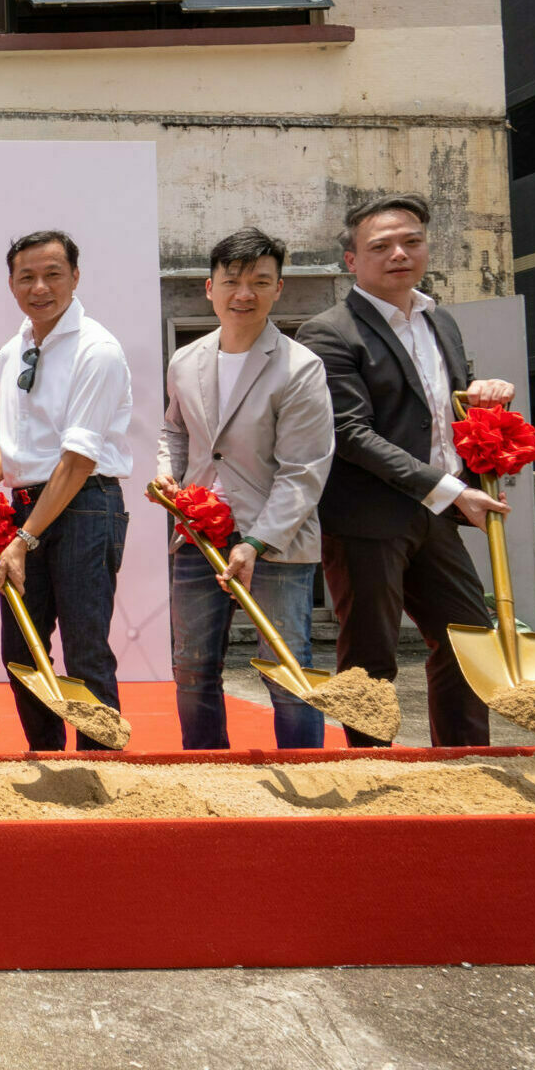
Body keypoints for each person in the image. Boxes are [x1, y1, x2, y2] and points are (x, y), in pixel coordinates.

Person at [296, 194, 516, 748]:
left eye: (411, 241)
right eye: (381, 246)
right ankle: (371, 768)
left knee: (469, 639)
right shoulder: (328, 332)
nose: (399, 254)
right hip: (367, 519)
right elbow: (350, 433)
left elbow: (438, 409)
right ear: (352, 260)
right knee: (370, 656)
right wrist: (449, 490)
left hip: (437, 513)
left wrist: (484, 395)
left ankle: (463, 760)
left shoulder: (440, 320)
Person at [153, 228, 336, 751]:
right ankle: (209, 772)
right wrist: (167, 471)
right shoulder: (185, 360)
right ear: (209, 288)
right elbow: (175, 431)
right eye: (232, 280)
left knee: (286, 668)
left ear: (279, 289)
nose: (244, 293)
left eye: (260, 281)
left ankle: (303, 777)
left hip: (275, 541)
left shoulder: (300, 367)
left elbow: (304, 470)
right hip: (198, 535)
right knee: (192, 668)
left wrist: (256, 542)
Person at [0, 230, 137, 752]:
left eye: (53, 274)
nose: (40, 287)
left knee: (85, 651)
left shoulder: (97, 350)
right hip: (27, 509)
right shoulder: (14, 348)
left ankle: (101, 769)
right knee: (22, 651)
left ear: (75, 277)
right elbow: (28, 442)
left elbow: (77, 459)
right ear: (11, 284)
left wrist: (25, 539)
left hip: (85, 507)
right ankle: (48, 758)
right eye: (26, 277)